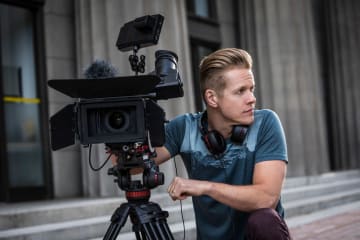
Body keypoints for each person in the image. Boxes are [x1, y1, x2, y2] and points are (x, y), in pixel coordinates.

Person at [111, 48, 291, 239]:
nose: (252, 99)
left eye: (251, 89)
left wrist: (205, 187)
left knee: (264, 219)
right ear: (212, 98)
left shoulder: (265, 123)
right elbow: (129, 166)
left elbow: (267, 198)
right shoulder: (184, 128)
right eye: (240, 91)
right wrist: (119, 127)